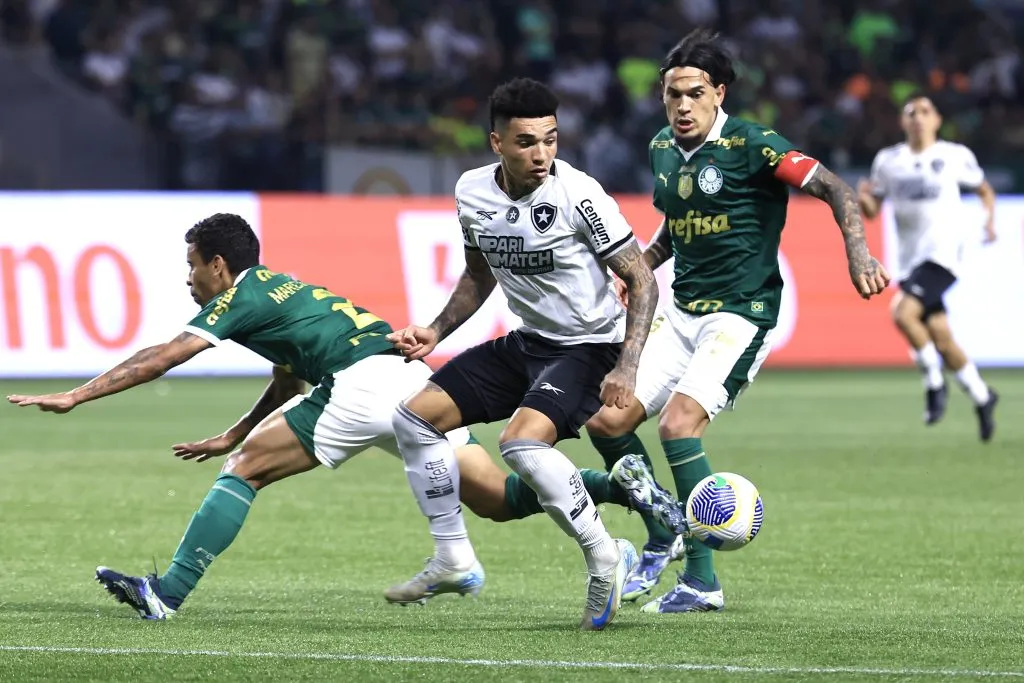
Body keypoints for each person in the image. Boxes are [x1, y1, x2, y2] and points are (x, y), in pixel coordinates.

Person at [6, 213, 681, 620]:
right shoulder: (283, 291)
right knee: (500, 498)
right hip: (412, 382)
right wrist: (235, 429)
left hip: (361, 386)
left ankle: (167, 593)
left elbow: (164, 355)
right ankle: (624, 488)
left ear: (219, 265)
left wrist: (76, 394)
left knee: (245, 474)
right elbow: (287, 376)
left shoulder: (238, 297)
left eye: (192, 268)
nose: (189, 280)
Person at [583, 29, 891, 613]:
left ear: (718, 94)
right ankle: (662, 525)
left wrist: (859, 253)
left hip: (740, 314)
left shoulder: (754, 144)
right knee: (606, 420)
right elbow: (678, 225)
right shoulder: (662, 150)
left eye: (693, 94)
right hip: (680, 312)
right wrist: (640, 267)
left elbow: (834, 188)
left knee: (678, 426)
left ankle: (702, 582)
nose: (680, 106)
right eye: (671, 95)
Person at [385, 77, 661, 631]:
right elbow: (479, 271)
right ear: (496, 144)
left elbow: (641, 277)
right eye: (527, 142)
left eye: (551, 140)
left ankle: (604, 555)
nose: (542, 154)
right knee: (413, 419)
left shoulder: (579, 194)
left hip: (588, 347)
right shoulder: (471, 192)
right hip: (529, 342)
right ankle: (452, 556)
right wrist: (437, 330)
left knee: (519, 444)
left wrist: (626, 365)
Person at [858, 93, 999, 440]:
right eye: (911, 113)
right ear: (903, 122)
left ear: (936, 120)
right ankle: (982, 396)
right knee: (941, 336)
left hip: (945, 253)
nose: (918, 118)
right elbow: (873, 209)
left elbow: (984, 189)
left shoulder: (953, 156)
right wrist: (863, 200)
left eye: (925, 112)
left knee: (902, 314)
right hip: (910, 259)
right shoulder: (889, 161)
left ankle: (934, 384)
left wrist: (990, 222)